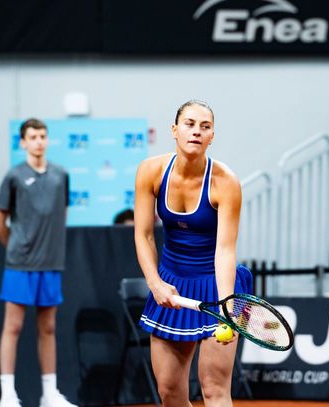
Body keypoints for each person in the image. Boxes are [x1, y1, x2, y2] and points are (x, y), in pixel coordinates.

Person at [134, 100, 252, 407]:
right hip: (171, 284)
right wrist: (155, 284)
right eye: (189, 124)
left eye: (205, 126)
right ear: (174, 130)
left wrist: (226, 307)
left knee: (214, 389)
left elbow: (225, 250)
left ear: (212, 136)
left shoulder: (226, 183)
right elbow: (144, 234)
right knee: (169, 392)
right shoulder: (150, 171)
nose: (196, 131)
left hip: (218, 284)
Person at [0, 118, 76, 407]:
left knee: (48, 328)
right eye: (33, 137)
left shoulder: (61, 175)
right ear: (23, 142)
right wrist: (17, 249)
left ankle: (49, 394)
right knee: (13, 327)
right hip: (20, 265)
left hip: (51, 264)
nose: (38, 141)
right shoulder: (13, 176)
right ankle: (7, 395)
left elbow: (61, 215)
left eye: (42, 136)